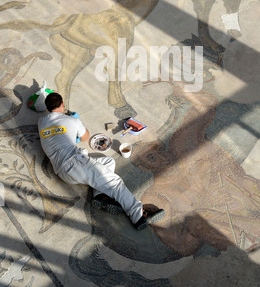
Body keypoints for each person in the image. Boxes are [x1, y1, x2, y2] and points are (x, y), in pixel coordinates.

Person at [38, 92, 165, 231]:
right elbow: (86, 137)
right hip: (76, 163)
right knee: (115, 183)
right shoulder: (71, 121)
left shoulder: (41, 122)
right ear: (62, 105)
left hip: (61, 171)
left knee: (108, 162)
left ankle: (101, 196)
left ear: (47, 108)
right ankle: (139, 215)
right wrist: (76, 121)